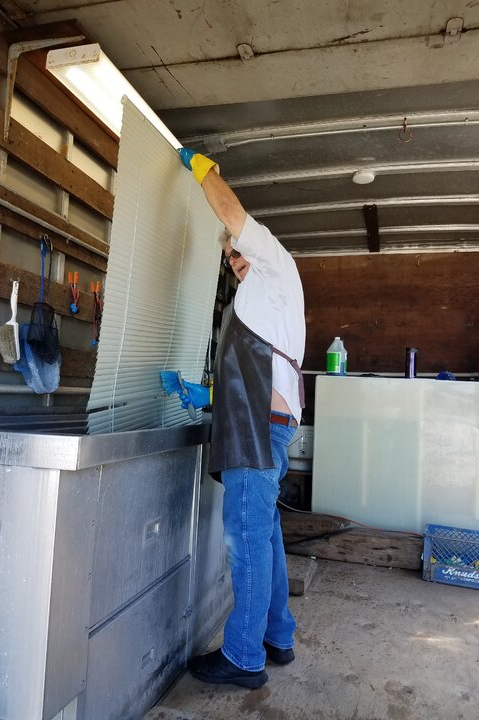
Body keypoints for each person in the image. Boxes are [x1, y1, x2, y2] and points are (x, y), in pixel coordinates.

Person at [176, 148, 305, 690]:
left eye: (236, 248)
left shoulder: (273, 262)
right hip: (263, 425)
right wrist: (205, 393)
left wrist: (201, 169)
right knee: (265, 536)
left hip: (258, 430)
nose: (234, 257)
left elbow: (231, 212)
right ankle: (277, 635)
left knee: (246, 540)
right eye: (228, 255)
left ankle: (244, 657)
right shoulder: (257, 302)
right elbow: (253, 373)